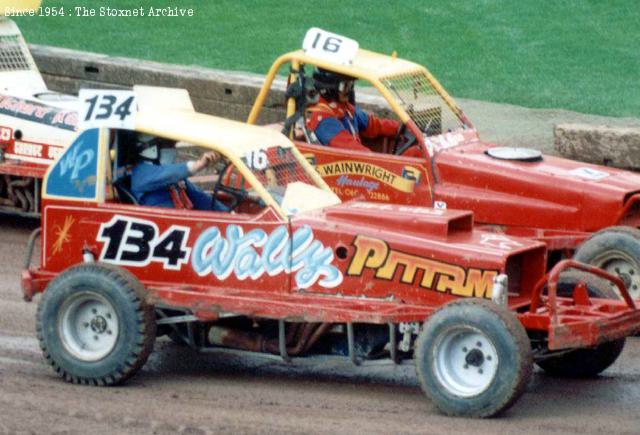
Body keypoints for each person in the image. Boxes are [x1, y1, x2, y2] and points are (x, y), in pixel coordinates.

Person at [305, 69, 418, 156]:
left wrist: (405, 128)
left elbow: (375, 125)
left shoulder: (345, 109)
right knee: (414, 154)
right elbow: (355, 152)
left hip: (353, 171)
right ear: (330, 88)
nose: (349, 90)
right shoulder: (325, 120)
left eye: (350, 85)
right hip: (343, 175)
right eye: (345, 86)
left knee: (415, 150)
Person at [130, 134, 228, 211]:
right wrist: (198, 165)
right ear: (150, 149)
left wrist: (228, 213)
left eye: (173, 145)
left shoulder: (177, 179)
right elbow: (167, 174)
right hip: (166, 229)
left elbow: (201, 198)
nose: (172, 150)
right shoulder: (140, 173)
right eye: (168, 145)